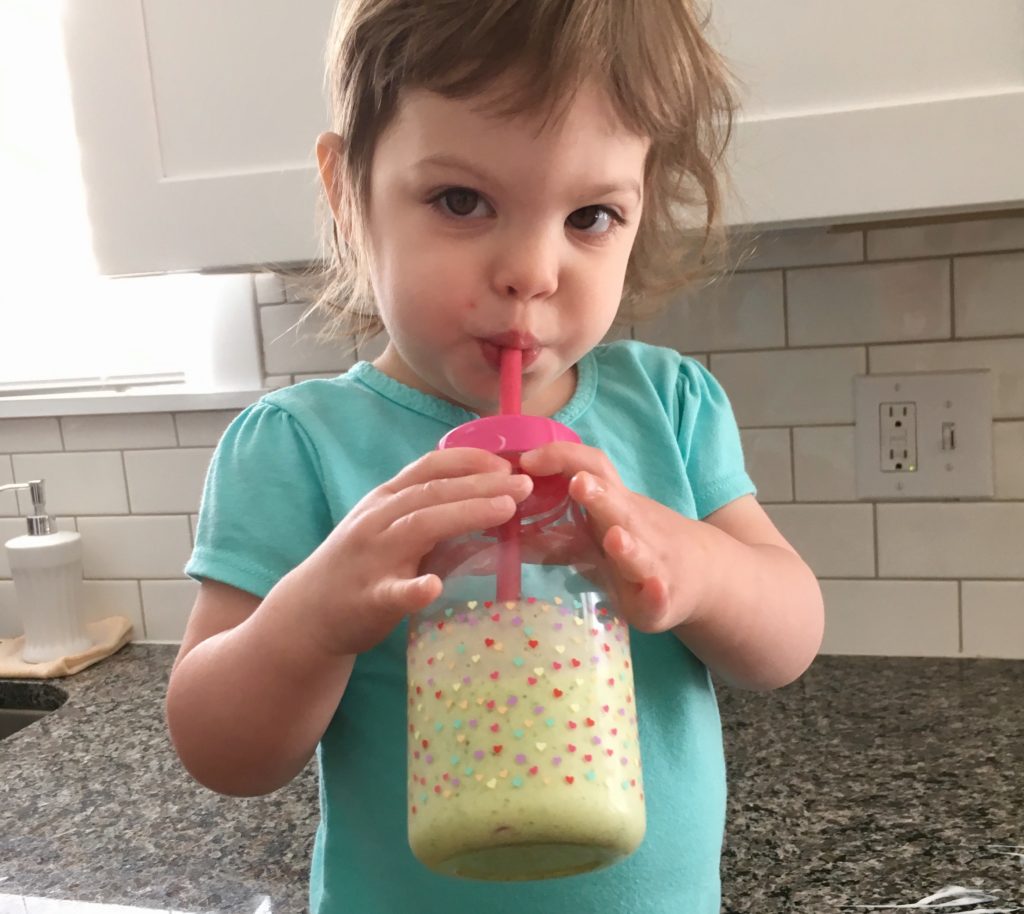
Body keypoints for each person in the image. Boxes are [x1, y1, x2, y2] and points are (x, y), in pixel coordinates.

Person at [165, 1, 825, 911]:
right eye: (461, 201)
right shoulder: (299, 445)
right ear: (348, 195)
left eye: (590, 215)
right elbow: (219, 751)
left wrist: (693, 565)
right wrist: (313, 621)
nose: (532, 271)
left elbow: (789, 640)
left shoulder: (669, 406)